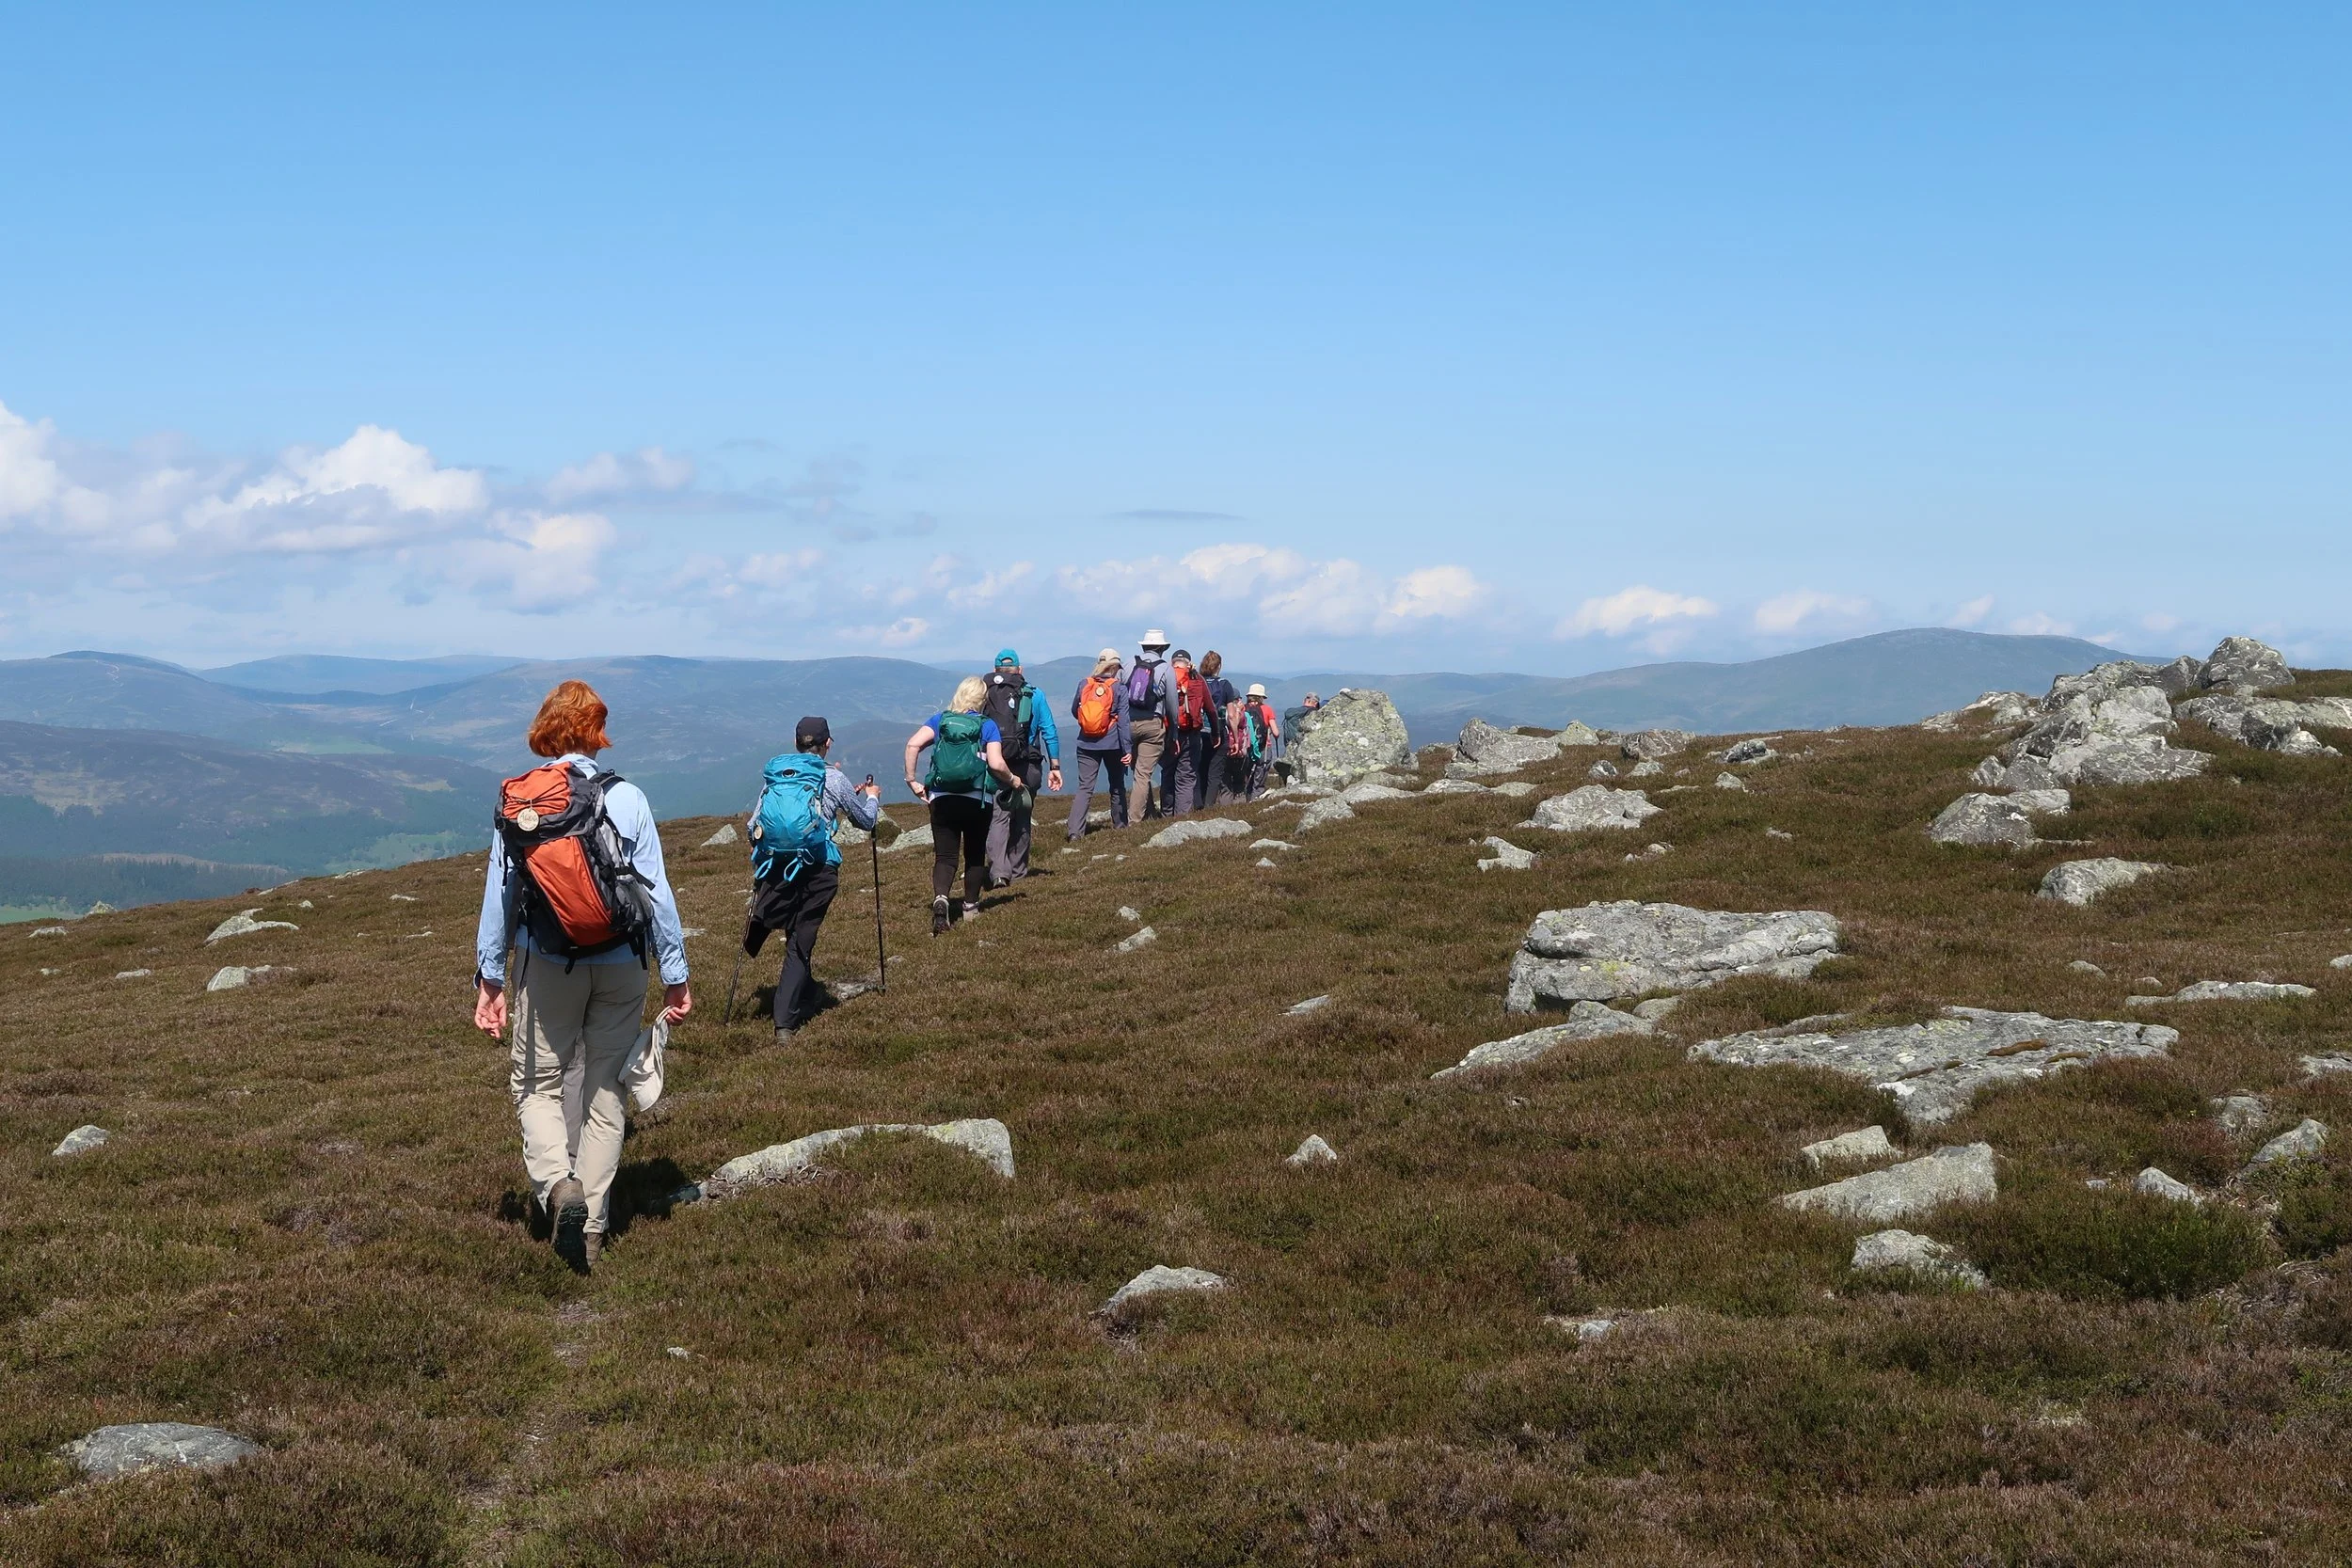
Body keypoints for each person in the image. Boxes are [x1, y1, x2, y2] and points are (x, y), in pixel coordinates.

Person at [474, 679, 690, 1274]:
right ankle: (592, 1227)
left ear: (547, 730)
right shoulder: (630, 798)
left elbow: (501, 894)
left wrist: (489, 978)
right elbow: (658, 895)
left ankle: (554, 1187)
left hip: (548, 966)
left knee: (538, 1086)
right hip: (623, 966)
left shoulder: (526, 803)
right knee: (605, 1092)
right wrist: (676, 973)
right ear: (596, 731)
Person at [744, 716, 881, 1042]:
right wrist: (872, 796)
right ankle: (785, 1024)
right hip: (818, 871)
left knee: (792, 930)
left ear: (796, 743)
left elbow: (753, 829)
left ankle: (761, 928)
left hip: (778, 868)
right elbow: (865, 821)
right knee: (799, 944)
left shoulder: (777, 777)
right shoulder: (832, 778)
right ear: (827, 743)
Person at [904, 676, 1021, 933]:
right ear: (982, 699)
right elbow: (996, 764)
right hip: (976, 800)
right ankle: (970, 908)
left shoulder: (940, 721)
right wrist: (1013, 781)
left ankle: (942, 899)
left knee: (945, 856)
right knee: (975, 854)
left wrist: (912, 780)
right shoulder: (986, 725)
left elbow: (913, 744)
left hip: (941, 798)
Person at [979, 649, 1062, 886]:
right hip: (1028, 765)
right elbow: (1049, 730)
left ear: (995, 671)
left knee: (998, 816)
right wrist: (1055, 764)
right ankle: (1018, 871)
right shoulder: (1034, 695)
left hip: (994, 765)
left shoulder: (984, 694)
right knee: (1023, 816)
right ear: (1020, 670)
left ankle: (998, 873)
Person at [1067, 648, 1131, 839]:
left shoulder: (1084, 684)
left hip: (1086, 743)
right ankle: (1120, 825)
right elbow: (1124, 722)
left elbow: (1074, 710)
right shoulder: (1119, 688)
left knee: (1085, 787)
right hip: (1112, 744)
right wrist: (1127, 749)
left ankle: (1074, 832)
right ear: (1115, 667)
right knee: (1117, 784)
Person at [1124, 630, 1178, 821]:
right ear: (1162, 648)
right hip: (1152, 724)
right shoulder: (1166, 669)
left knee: (1137, 772)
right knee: (1143, 774)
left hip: (1128, 724)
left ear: (1143, 646)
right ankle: (1135, 821)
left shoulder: (1129, 663)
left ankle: (1148, 815)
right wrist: (1174, 732)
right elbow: (1172, 705)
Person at [1165, 649, 1215, 815]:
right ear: (1188, 662)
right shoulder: (1196, 677)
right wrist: (1216, 732)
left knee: (1168, 773)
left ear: (1173, 662)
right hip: (1191, 733)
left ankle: (1166, 814)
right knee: (1186, 777)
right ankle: (1181, 818)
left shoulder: (1165, 676)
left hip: (1168, 733)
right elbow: (1210, 709)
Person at [1197, 650, 1243, 805]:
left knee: (1200, 770)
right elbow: (1231, 715)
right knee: (1215, 774)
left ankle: (1198, 806)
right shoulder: (1225, 684)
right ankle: (1208, 808)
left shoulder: (1197, 681)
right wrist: (1235, 740)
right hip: (1219, 732)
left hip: (1198, 732)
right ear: (1219, 666)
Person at [1241, 681, 1283, 798]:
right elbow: (1276, 732)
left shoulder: (1243, 708)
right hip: (1263, 746)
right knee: (1261, 771)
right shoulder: (1267, 709)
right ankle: (1256, 796)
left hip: (1246, 746)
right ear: (1261, 697)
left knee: (1247, 771)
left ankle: (1245, 796)